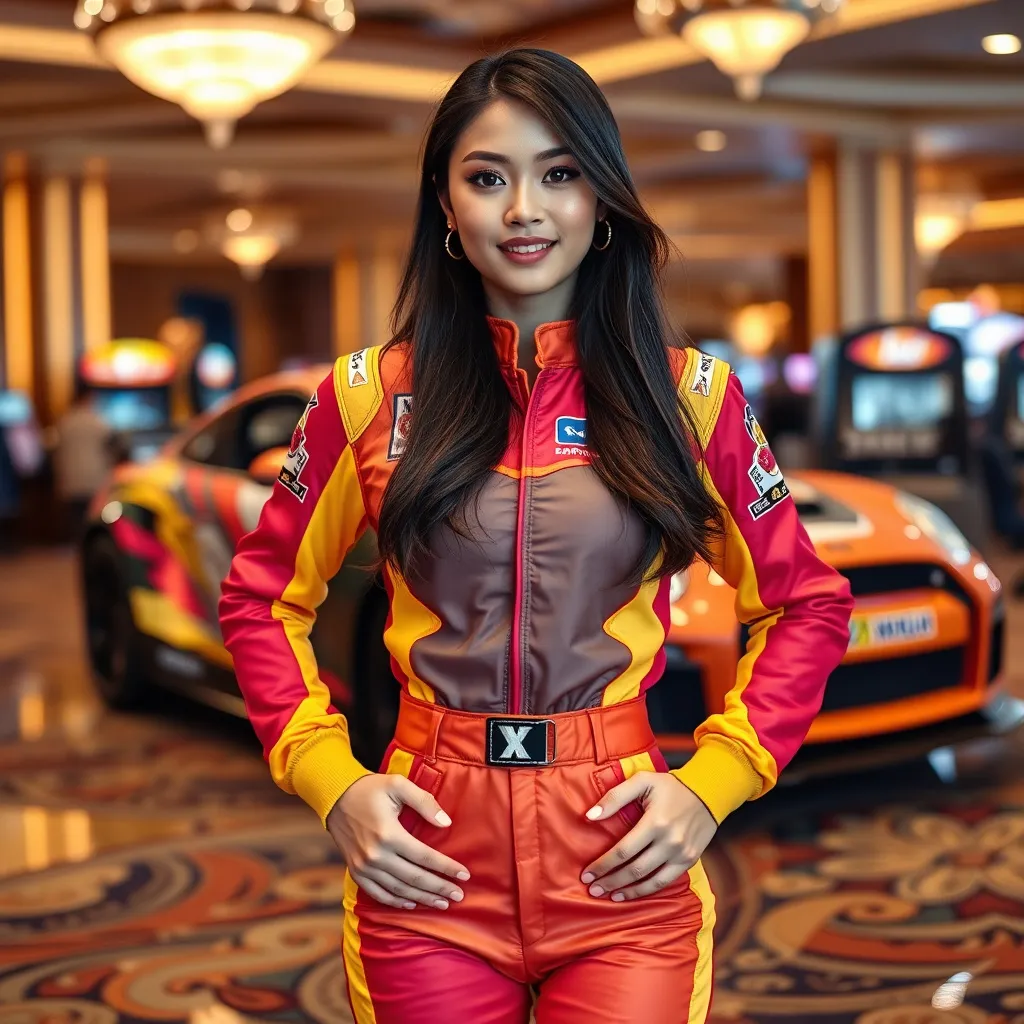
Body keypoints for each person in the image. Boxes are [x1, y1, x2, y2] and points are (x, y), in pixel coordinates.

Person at [219, 48, 854, 1024]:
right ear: (444, 204)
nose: (524, 208)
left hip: (619, 853)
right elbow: (261, 599)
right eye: (487, 177)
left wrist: (714, 783)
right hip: (428, 857)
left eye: (559, 174)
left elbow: (805, 602)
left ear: (601, 200)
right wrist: (332, 780)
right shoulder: (365, 397)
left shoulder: (686, 400)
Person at [52, 384, 116, 535]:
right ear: (89, 398)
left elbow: (56, 451)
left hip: (71, 478)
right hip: (96, 477)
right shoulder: (100, 422)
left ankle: (79, 545)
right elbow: (112, 449)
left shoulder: (64, 422)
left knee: (76, 518)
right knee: (95, 516)